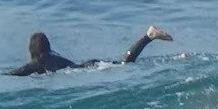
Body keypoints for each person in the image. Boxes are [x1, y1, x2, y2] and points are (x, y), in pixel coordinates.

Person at [10, 26, 173, 77]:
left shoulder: (38, 61)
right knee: (125, 63)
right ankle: (148, 37)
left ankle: (149, 36)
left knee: (125, 64)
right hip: (89, 64)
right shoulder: (53, 56)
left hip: (89, 68)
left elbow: (20, 72)